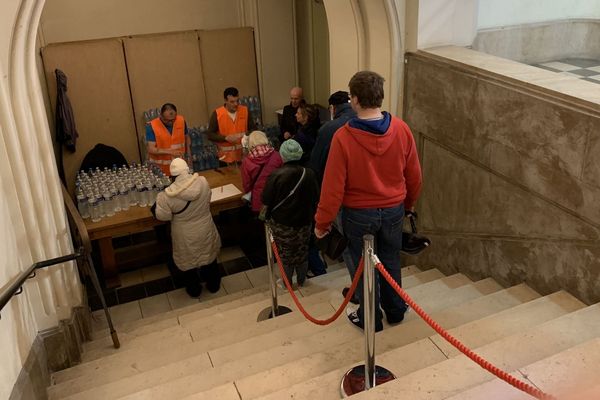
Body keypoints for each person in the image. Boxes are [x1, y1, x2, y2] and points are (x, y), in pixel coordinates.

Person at [314, 71, 422, 332]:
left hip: (358, 214)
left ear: (355, 100)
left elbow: (332, 187)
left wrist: (322, 222)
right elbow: (414, 175)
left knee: (363, 268)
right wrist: (408, 206)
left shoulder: (344, 137)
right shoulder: (401, 129)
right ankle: (395, 310)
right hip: (394, 208)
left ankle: (370, 318)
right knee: (391, 260)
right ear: (379, 97)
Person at [154, 158, 222, 297]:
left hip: (184, 233)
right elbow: (208, 197)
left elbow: (163, 217)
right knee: (209, 256)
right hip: (205, 227)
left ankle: (194, 290)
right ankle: (213, 285)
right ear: (187, 170)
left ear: (172, 175)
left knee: (187, 261)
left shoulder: (165, 196)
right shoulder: (202, 182)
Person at [262, 139, 319, 288]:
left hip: (282, 223)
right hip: (305, 220)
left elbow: (266, 198)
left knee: (285, 253)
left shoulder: (276, 175)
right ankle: (301, 280)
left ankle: (287, 283)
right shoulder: (310, 173)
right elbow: (316, 197)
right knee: (302, 251)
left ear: (283, 155)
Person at [309, 91, 356, 184]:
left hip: (335, 182)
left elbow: (316, 163)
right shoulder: (364, 121)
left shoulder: (328, 129)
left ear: (332, 108)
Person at [207, 87, 256, 163]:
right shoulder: (217, 114)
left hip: (244, 157)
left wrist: (244, 135)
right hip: (225, 159)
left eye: (237, 101)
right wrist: (225, 138)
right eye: (232, 102)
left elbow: (254, 130)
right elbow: (209, 135)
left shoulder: (245, 111)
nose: (236, 104)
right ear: (225, 101)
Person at [241, 130, 283, 213]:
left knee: (261, 223)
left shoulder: (247, 161)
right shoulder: (277, 155)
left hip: (259, 200)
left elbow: (247, 184)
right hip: (277, 198)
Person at [146, 103, 190, 175]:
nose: (170, 123)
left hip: (179, 167)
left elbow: (187, 139)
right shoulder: (152, 126)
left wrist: (189, 156)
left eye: (173, 120)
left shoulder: (181, 121)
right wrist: (170, 152)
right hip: (161, 170)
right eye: (167, 120)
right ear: (161, 116)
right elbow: (151, 149)